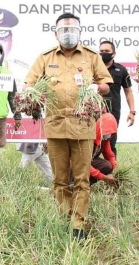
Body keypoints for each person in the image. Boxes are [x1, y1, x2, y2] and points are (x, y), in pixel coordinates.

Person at [24, 13, 113, 239]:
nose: (68, 33)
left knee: (82, 178)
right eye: (63, 30)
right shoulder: (45, 58)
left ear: (80, 32)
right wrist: (31, 94)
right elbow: (29, 83)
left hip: (83, 126)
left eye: (72, 29)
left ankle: (78, 225)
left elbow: (106, 85)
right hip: (56, 126)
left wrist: (96, 89)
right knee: (60, 179)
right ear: (56, 33)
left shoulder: (91, 57)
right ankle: (65, 220)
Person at [99, 40, 135, 156]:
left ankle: (110, 170)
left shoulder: (121, 70)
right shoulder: (92, 69)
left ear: (114, 53)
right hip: (93, 112)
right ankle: (91, 172)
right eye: (101, 51)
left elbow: (128, 91)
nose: (104, 53)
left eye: (107, 51)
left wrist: (132, 112)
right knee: (91, 144)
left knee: (111, 143)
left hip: (113, 113)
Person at [90, 112, 118, 186]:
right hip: (76, 164)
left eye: (110, 134)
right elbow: (83, 164)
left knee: (107, 165)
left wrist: (114, 171)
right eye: (106, 133)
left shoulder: (105, 140)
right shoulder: (88, 139)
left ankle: (87, 184)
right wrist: (103, 177)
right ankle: (74, 183)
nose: (108, 136)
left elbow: (110, 155)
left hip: (88, 163)